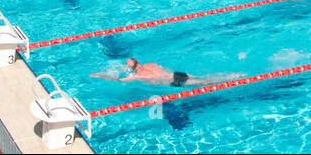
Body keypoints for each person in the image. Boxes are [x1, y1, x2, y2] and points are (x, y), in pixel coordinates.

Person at [92, 57, 237, 89]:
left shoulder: (137, 76)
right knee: (203, 77)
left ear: (130, 68)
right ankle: (234, 76)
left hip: (174, 82)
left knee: (206, 82)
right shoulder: (151, 63)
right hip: (177, 73)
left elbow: (119, 81)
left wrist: (101, 75)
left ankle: (230, 80)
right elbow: (162, 67)